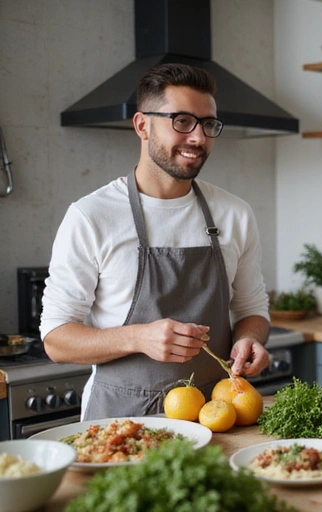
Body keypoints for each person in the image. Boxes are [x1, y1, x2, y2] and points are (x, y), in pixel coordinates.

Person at [41, 63, 271, 420]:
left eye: (208, 124)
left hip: (215, 419)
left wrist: (251, 338)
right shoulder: (91, 216)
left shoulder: (234, 214)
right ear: (142, 125)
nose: (198, 138)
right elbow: (56, 339)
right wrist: (136, 338)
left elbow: (252, 308)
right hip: (120, 424)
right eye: (181, 121)